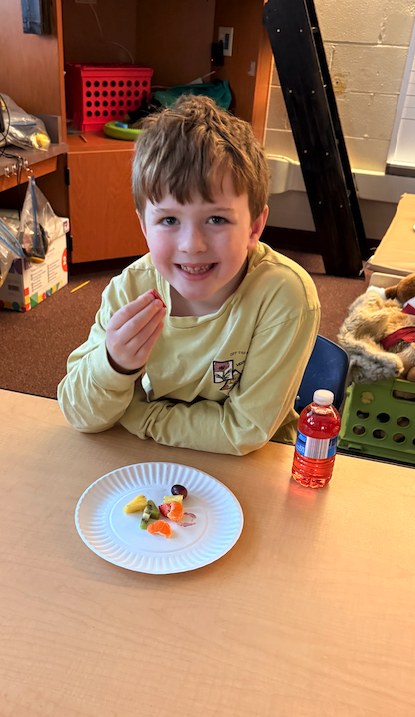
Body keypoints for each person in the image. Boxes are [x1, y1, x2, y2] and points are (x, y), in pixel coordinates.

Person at [57, 96, 320, 455]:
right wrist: (114, 364)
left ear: (254, 226)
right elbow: (80, 414)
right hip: (162, 460)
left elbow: (246, 431)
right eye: (168, 220)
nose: (192, 245)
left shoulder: (285, 295)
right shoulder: (132, 288)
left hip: (256, 468)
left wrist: (139, 417)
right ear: (144, 226)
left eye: (217, 219)